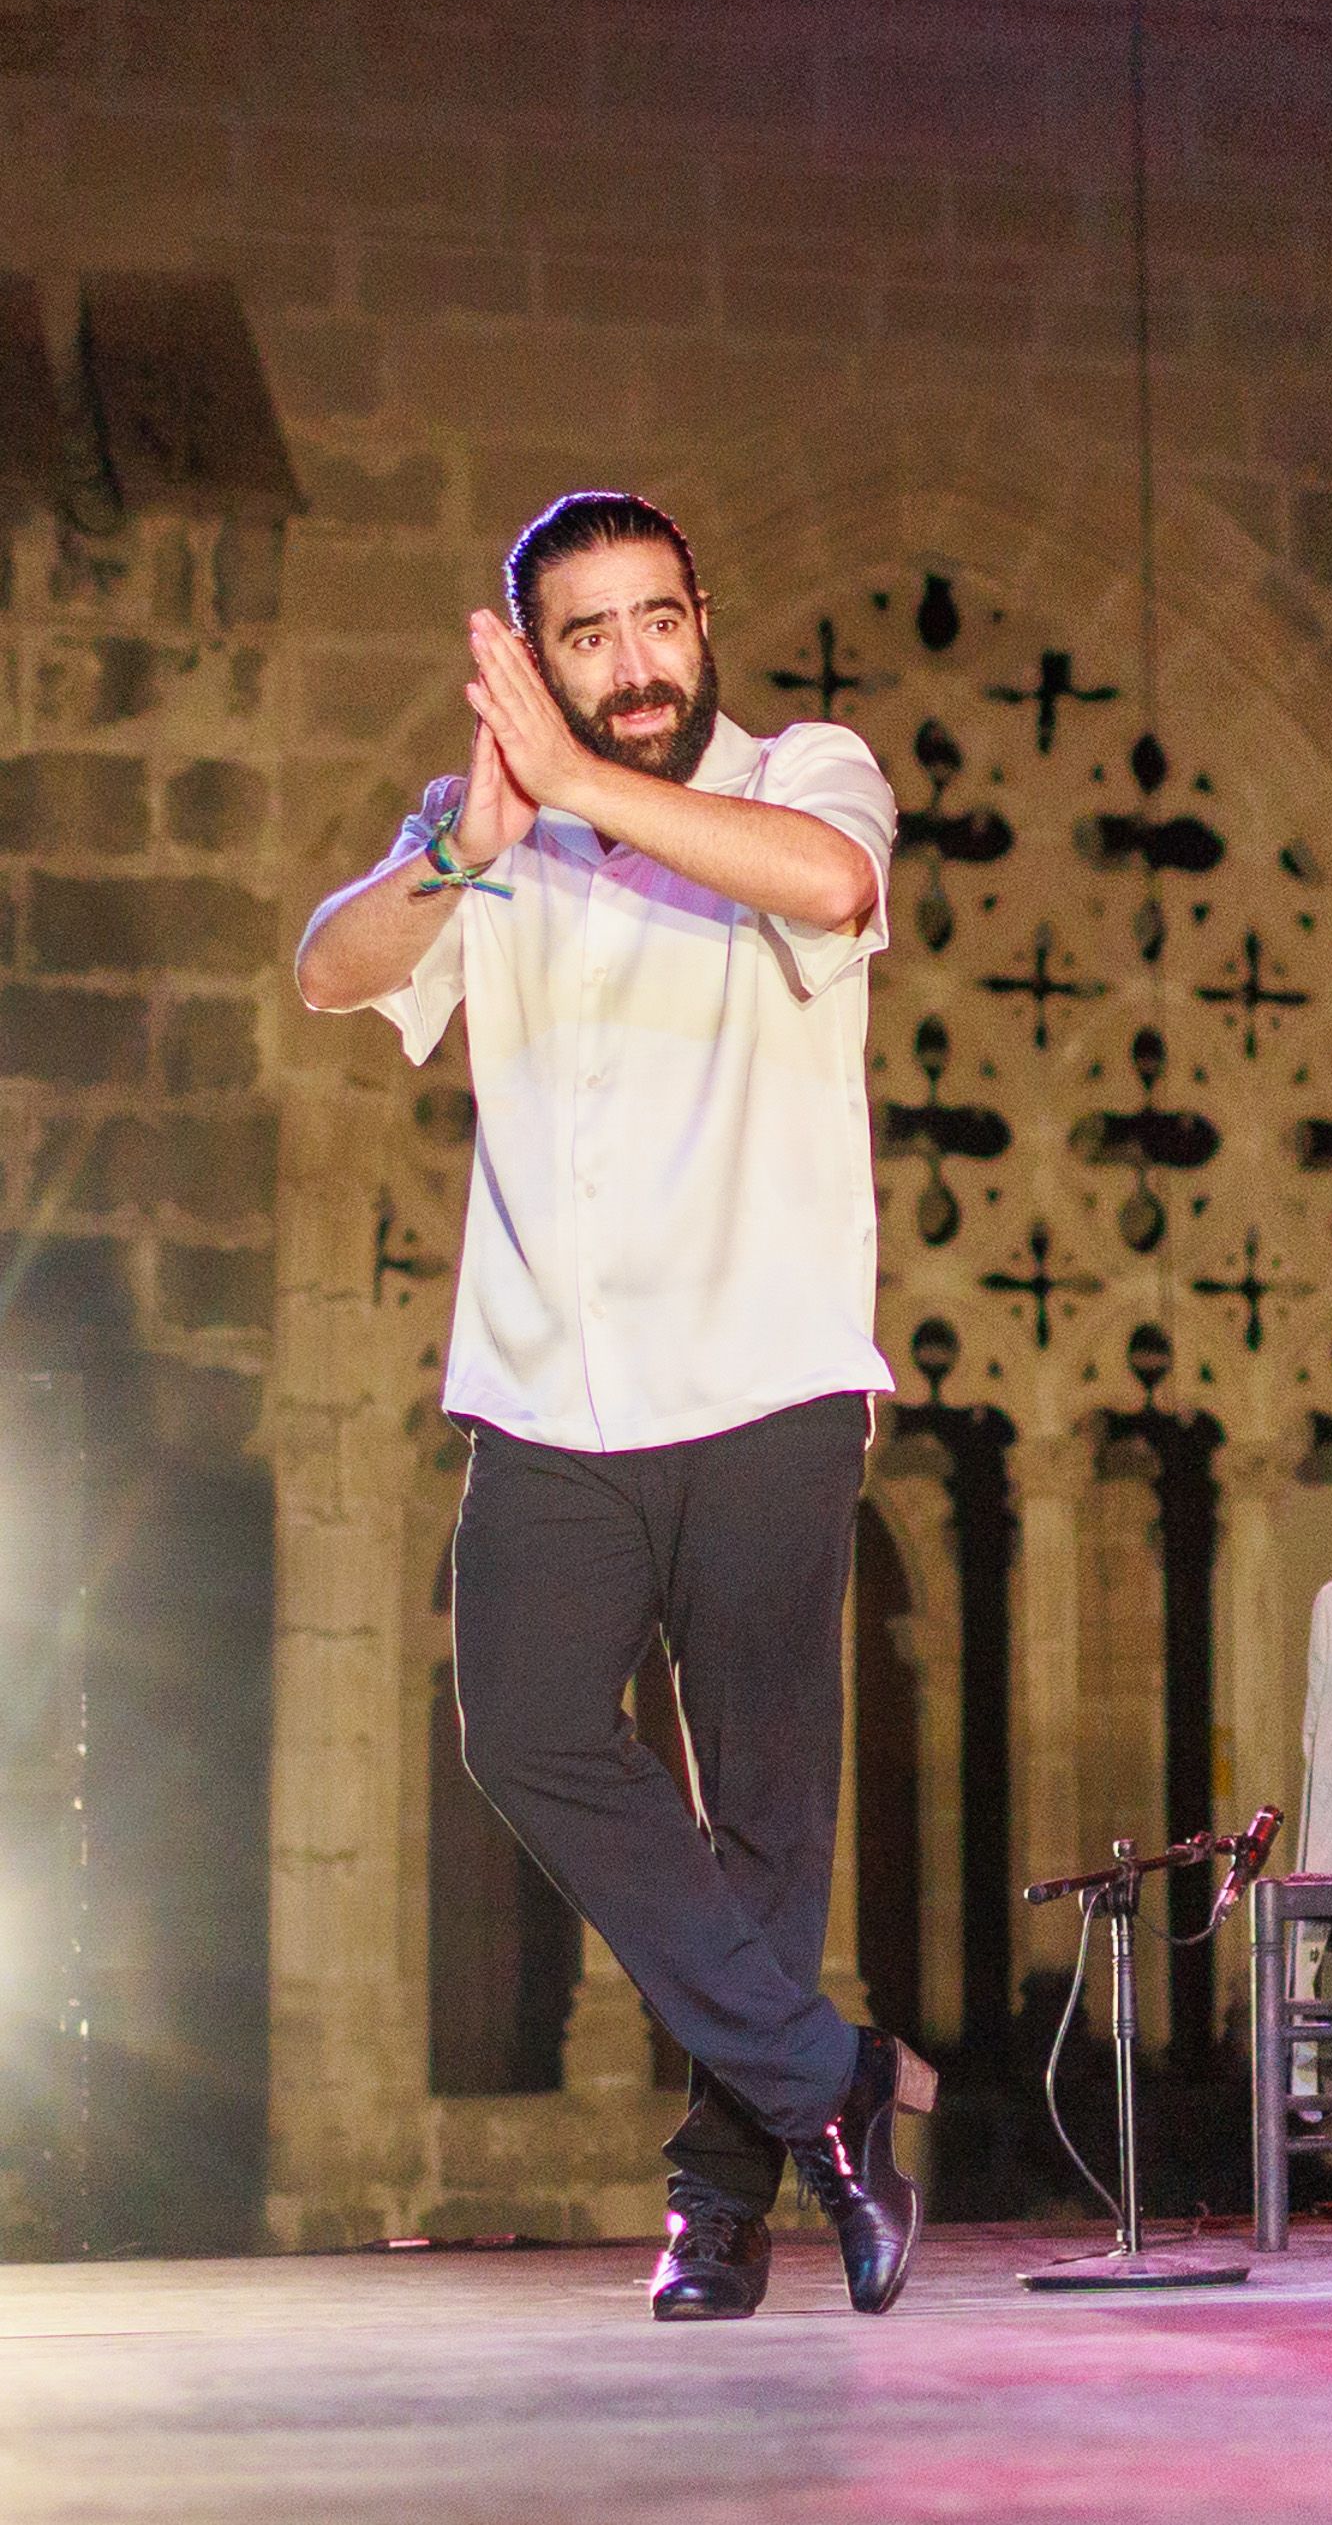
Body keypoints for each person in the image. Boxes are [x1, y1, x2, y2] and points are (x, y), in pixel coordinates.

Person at [291, 491, 933, 2320]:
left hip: (765, 1374)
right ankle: (835, 2087)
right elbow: (332, 969)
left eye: (660, 619)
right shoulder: (495, 826)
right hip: (551, 1387)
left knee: (766, 1822)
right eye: (589, 635)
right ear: (538, 655)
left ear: (702, 618)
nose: (637, 661)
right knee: (522, 1728)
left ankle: (719, 2206)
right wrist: (466, 847)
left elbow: (834, 890)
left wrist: (573, 781)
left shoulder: (806, 769)